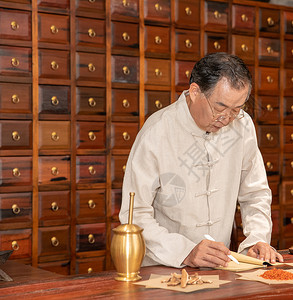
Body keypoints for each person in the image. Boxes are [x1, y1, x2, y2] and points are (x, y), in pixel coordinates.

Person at [119, 52, 283, 268]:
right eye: (220, 107)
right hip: (165, 267)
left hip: (220, 267)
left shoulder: (242, 126)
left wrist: (257, 239)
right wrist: (185, 252)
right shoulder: (157, 131)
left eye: (237, 109)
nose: (226, 119)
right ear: (195, 91)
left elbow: (255, 193)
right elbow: (135, 214)